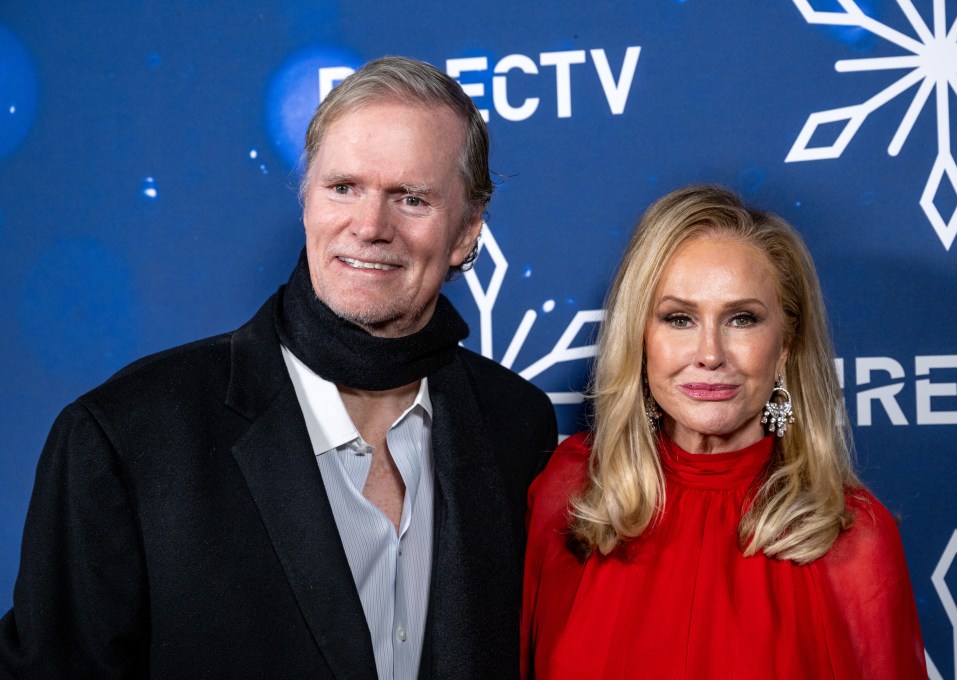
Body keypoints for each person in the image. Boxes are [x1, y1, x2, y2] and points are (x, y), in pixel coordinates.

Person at [0, 56, 557, 680]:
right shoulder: (125, 437)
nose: (371, 227)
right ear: (307, 201)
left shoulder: (516, 426)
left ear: (466, 231)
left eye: (411, 198)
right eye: (344, 187)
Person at [521, 185, 926, 679]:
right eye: (679, 318)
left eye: (741, 319)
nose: (710, 354)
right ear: (640, 337)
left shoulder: (853, 537)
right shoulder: (572, 493)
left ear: (785, 347)